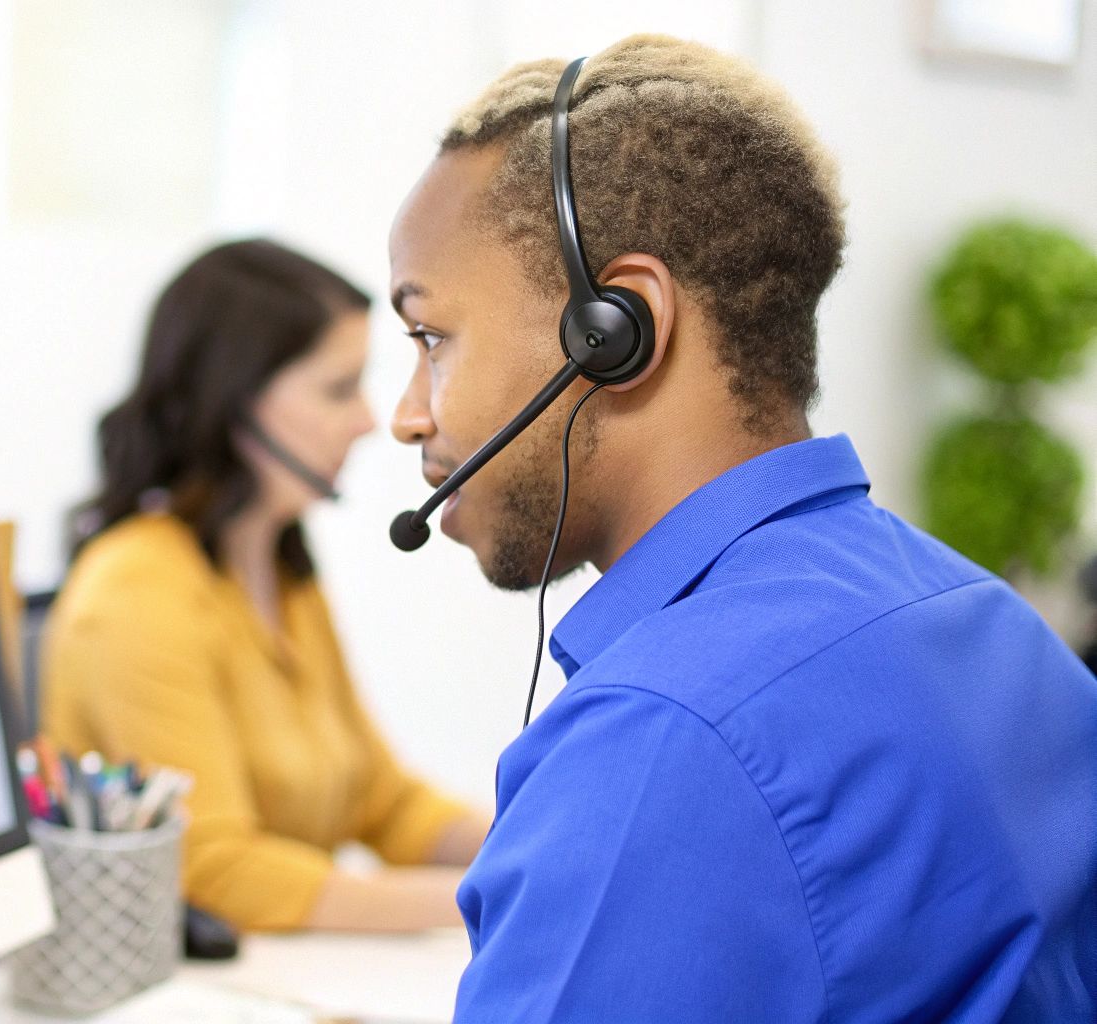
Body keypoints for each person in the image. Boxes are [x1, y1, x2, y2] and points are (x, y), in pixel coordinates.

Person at [386, 34, 1097, 1021]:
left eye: (430, 338)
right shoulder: (999, 631)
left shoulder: (662, 740)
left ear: (613, 328)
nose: (406, 413)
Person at [41, 239, 493, 933]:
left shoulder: (279, 566)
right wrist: (491, 901)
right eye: (339, 388)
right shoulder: (135, 591)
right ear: (238, 400)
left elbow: (381, 803)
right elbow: (215, 869)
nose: (373, 420)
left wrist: (541, 852)